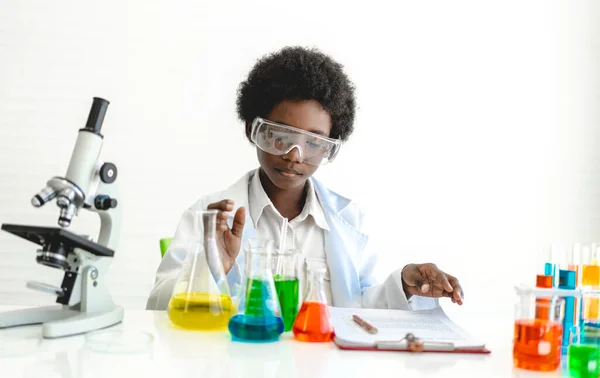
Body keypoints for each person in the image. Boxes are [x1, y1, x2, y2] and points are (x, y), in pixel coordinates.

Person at [146, 46, 464, 311]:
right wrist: (209, 266)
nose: (295, 155)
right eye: (281, 136)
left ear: (330, 146)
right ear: (253, 131)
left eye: (313, 142)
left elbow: (359, 308)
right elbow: (157, 305)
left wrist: (403, 285)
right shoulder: (210, 217)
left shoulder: (347, 219)